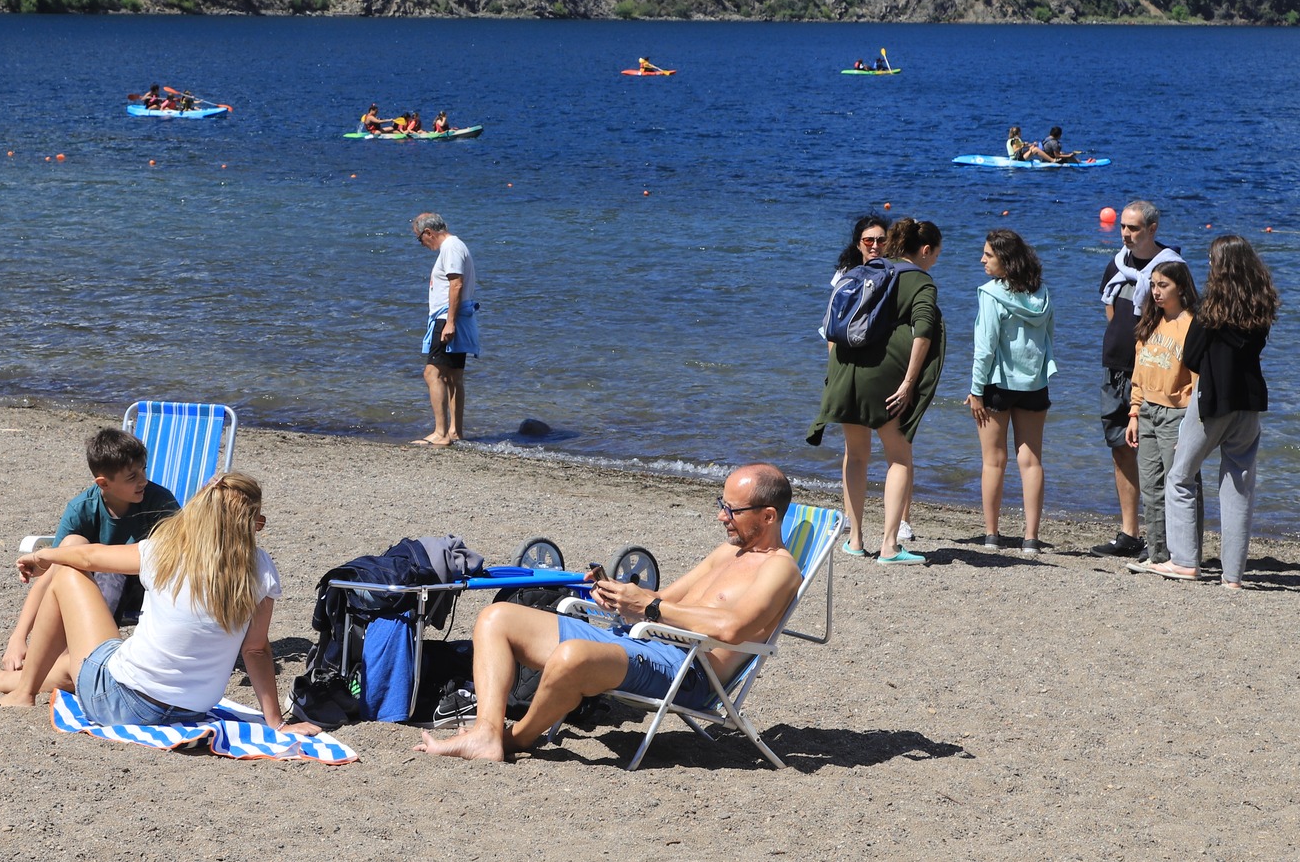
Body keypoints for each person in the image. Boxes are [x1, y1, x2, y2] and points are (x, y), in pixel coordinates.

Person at [417, 464, 802, 763]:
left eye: (731, 510)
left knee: (573, 657)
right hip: (641, 643)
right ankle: (486, 731)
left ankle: (516, 738)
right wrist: (620, 596)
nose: (721, 517)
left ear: (768, 516)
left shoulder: (780, 569)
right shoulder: (726, 553)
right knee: (498, 617)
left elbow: (733, 628)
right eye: (721, 505)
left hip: (688, 672)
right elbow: (662, 599)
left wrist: (648, 606)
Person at [0, 472, 302, 734]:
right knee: (84, 662)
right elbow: (256, 650)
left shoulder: (167, 549)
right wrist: (274, 722)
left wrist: (43, 555)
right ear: (249, 526)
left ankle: (22, 694)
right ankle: (0, 680)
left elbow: (87, 556)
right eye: (259, 521)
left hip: (123, 704)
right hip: (191, 710)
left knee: (66, 576)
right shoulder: (260, 567)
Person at [1145, 236, 1280, 588]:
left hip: (1212, 400)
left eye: (1210, 261)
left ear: (1220, 268)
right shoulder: (1259, 307)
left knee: (1180, 476)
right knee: (1238, 487)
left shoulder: (1211, 310)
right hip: (1249, 403)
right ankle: (1233, 577)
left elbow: (1190, 356)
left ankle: (1185, 561)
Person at [809, 217, 944, 564]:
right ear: (926, 251)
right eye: (937, 254)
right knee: (898, 456)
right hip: (881, 376)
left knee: (856, 454)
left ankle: (854, 539)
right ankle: (889, 546)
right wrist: (909, 382)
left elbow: (832, 326)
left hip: (844, 367)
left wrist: (832, 375)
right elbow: (924, 330)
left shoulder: (867, 269)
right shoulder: (919, 280)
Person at [0, 429, 181, 671]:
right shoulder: (82, 508)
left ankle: (85, 658)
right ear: (103, 483)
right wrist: (18, 637)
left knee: (108, 567)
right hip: (92, 593)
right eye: (132, 476)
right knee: (70, 546)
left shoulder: (159, 501)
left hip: (151, 589)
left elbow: (182, 555)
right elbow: (52, 574)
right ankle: (77, 656)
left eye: (144, 470)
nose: (143, 480)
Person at [1091, 202, 1185, 558]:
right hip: (1115, 367)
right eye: (1124, 228)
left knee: (1156, 455)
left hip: (1152, 374)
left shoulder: (1171, 267)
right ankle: (1130, 534)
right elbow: (1111, 309)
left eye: (1134, 229)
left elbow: (1179, 322)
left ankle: (1164, 538)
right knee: (1119, 446)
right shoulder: (1117, 264)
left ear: (1153, 229)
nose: (1127, 234)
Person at [966, 230, 1055, 554]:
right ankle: (1030, 538)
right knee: (1031, 462)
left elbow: (985, 347)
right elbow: (1049, 337)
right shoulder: (1041, 292)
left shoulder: (991, 294)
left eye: (988, 255)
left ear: (1005, 259)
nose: (982, 260)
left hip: (998, 384)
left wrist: (976, 390)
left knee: (994, 462)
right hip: (1035, 384)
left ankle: (992, 535)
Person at [1124, 259, 1201, 568]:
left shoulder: (1192, 324)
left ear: (1180, 288)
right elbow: (1139, 372)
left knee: (1181, 485)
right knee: (1151, 486)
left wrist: (1191, 426)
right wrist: (1133, 412)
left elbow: (1197, 380)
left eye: (1163, 285)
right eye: (1153, 285)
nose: (1155, 292)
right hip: (1147, 413)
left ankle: (1187, 556)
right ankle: (1158, 555)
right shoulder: (1149, 322)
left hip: (1177, 414)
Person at [413, 212, 479, 447]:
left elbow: (456, 284)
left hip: (448, 318)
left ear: (428, 232)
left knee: (432, 374)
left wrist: (449, 322)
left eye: (419, 239)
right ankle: (454, 431)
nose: (422, 244)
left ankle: (441, 433)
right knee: (453, 377)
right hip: (457, 317)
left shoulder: (450, 247)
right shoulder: (456, 245)